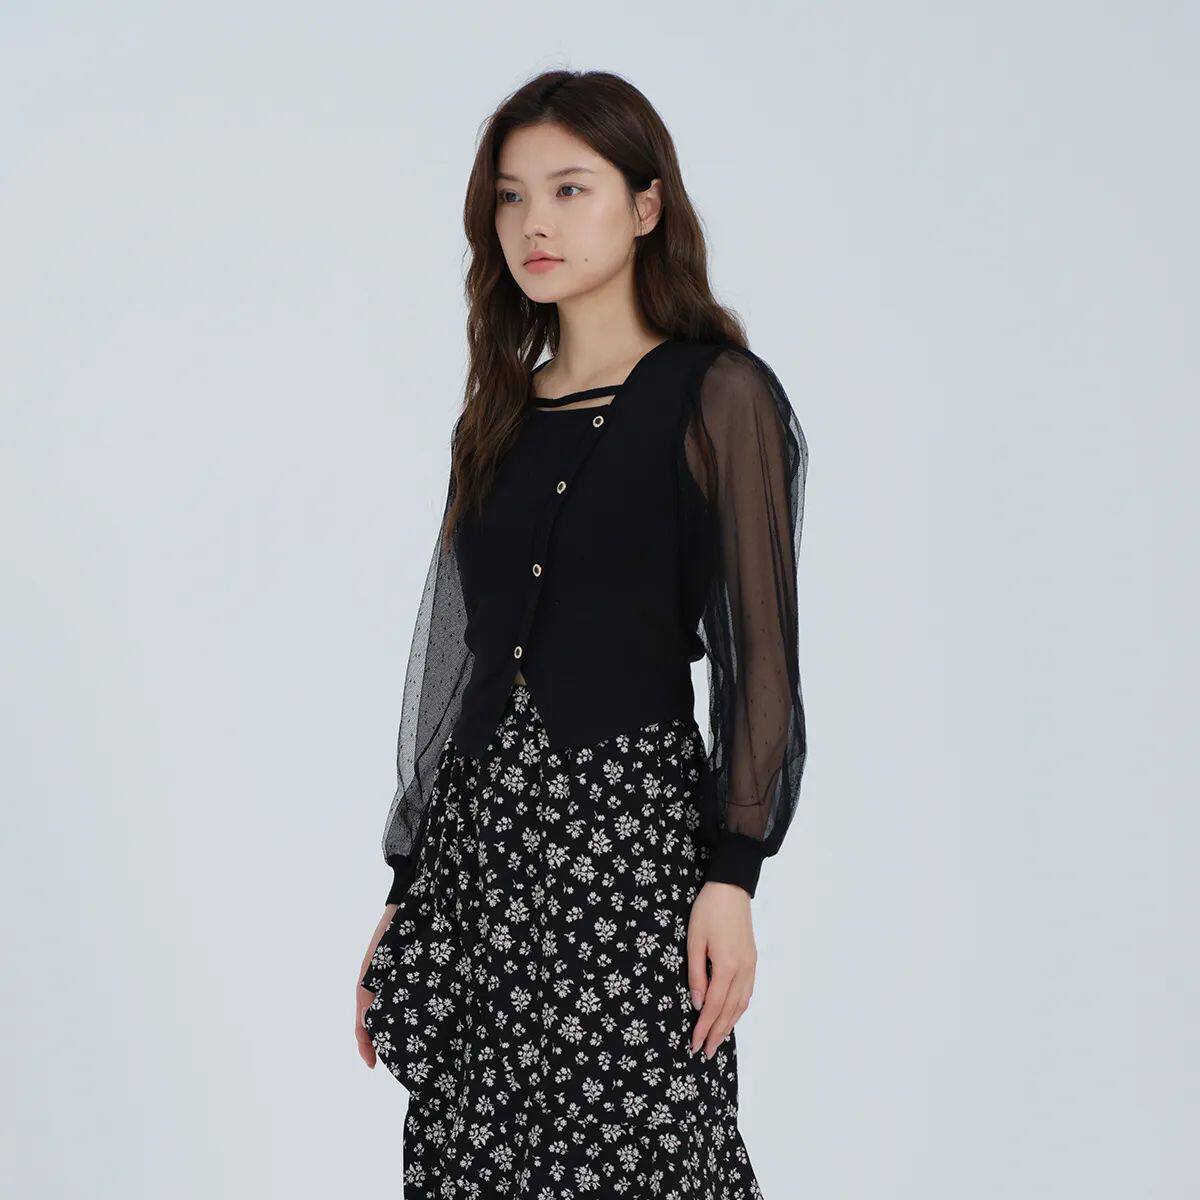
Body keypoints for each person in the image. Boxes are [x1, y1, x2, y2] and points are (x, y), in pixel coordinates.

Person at [354, 68, 808, 1198]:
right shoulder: (499, 414)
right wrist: (410, 887)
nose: (534, 224)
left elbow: (761, 660)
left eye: (570, 189)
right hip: (482, 853)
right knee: (474, 1157)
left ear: (647, 206)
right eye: (510, 197)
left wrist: (733, 877)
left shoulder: (719, 396)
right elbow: (456, 660)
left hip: (628, 845)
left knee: (649, 1151)